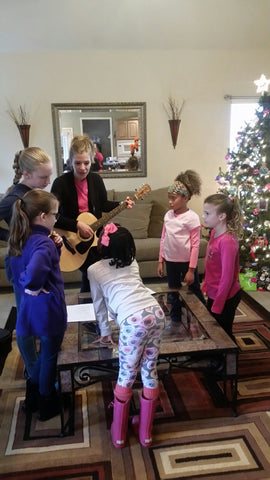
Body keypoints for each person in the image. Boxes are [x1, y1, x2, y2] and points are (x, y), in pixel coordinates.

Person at [87, 223, 165, 448]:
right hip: (156, 313)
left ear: (102, 245)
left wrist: (105, 331)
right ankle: (145, 435)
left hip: (133, 321)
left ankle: (119, 435)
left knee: (127, 372)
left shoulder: (94, 270)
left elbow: (99, 304)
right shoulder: (133, 263)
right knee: (149, 368)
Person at [8, 189, 67, 421]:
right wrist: (31, 284)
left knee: (44, 355)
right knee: (49, 356)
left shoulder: (21, 237)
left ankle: (32, 397)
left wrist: (27, 288)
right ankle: (46, 403)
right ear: (42, 216)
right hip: (49, 309)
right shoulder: (44, 243)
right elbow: (33, 273)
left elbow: (14, 270)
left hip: (31, 308)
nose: (56, 219)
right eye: (55, 214)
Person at [51, 134, 133, 292]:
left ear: (92, 160)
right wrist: (77, 225)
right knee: (92, 275)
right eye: (77, 163)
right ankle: (88, 308)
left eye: (86, 163)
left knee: (99, 275)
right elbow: (52, 216)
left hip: (96, 237)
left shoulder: (96, 180)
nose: (82, 168)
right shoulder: (60, 184)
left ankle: (99, 306)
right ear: (70, 162)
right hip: (72, 240)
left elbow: (104, 204)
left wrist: (121, 204)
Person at [0, 147, 53, 378]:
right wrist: (10, 237)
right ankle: (33, 371)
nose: (48, 181)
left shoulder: (33, 196)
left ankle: (41, 361)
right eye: (43, 177)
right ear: (26, 173)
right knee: (25, 318)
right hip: (21, 266)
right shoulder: (13, 199)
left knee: (36, 312)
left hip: (34, 263)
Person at [158, 170, 206, 325]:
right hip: (170, 261)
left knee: (194, 291)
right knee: (173, 291)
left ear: (185, 198)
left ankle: (204, 317)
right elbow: (163, 238)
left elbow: (195, 244)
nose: (170, 202)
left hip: (186, 263)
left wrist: (191, 270)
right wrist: (161, 260)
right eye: (169, 198)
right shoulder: (168, 215)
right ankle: (175, 319)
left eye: (174, 198)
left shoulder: (192, 218)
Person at [202, 193, 243, 341]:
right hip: (216, 292)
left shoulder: (227, 242)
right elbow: (210, 263)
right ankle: (216, 356)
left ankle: (229, 360)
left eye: (207, 213)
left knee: (223, 333)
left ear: (221, 216)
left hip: (227, 295)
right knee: (212, 328)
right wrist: (207, 284)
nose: (203, 216)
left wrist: (218, 303)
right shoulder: (214, 233)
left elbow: (227, 277)